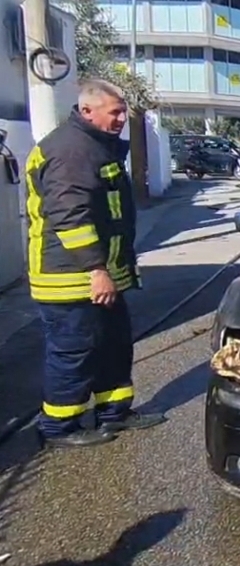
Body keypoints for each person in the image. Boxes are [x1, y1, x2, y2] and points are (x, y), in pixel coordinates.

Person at [25, 79, 167, 448]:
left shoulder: (93, 146)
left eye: (123, 112)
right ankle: (58, 426)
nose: (121, 119)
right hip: (73, 279)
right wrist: (96, 270)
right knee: (75, 352)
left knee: (113, 346)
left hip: (100, 278)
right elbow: (71, 218)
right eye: (115, 112)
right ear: (87, 110)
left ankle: (113, 412)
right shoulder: (71, 151)